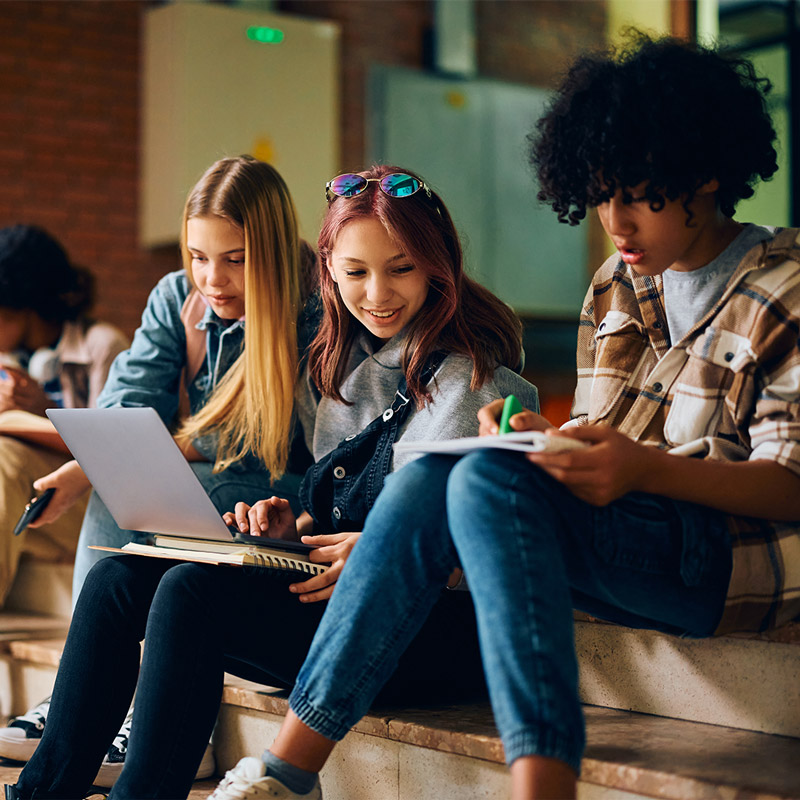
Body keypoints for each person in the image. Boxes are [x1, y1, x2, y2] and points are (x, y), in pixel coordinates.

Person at [203, 34, 800, 800]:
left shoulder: (781, 286)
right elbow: (591, 448)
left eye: (640, 195)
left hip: (725, 561)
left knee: (475, 482)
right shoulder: (616, 287)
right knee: (449, 480)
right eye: (602, 194)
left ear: (706, 174)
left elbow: (790, 484)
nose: (615, 222)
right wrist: (539, 444)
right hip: (624, 533)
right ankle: (288, 774)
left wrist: (640, 467)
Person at [4, 165, 538, 800]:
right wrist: (294, 527)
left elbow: (448, 540)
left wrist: (375, 547)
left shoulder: (469, 376)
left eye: (400, 269)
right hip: (331, 594)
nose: (376, 294)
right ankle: (41, 792)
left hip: (419, 630)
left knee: (189, 593)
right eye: (356, 272)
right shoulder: (344, 364)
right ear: (331, 272)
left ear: (437, 266)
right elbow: (335, 511)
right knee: (119, 579)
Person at [0, 155, 318, 786]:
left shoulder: (314, 309)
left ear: (275, 249)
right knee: (118, 486)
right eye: (199, 256)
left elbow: (254, 439)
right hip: (208, 478)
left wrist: (106, 460)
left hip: (278, 496)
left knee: (143, 488)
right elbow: (124, 410)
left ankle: (144, 712)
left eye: (236, 258)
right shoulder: (177, 297)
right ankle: (83, 697)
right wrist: (92, 464)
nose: (213, 278)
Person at [0, 224, 128, 607]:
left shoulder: (103, 346)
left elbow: (118, 450)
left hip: (90, 506)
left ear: (23, 306)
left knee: (7, 456)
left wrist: (45, 409)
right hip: (31, 508)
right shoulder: (9, 361)